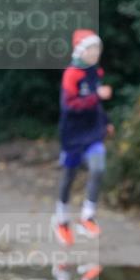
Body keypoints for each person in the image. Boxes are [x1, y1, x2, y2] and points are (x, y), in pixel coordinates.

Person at [53, 29, 113, 245]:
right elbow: (69, 106)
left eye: (98, 48)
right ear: (81, 50)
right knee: (69, 176)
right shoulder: (72, 73)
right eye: (92, 48)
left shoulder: (95, 72)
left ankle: (87, 216)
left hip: (93, 134)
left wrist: (106, 122)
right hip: (72, 135)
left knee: (98, 168)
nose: (96, 52)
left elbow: (95, 104)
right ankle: (61, 220)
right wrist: (95, 96)